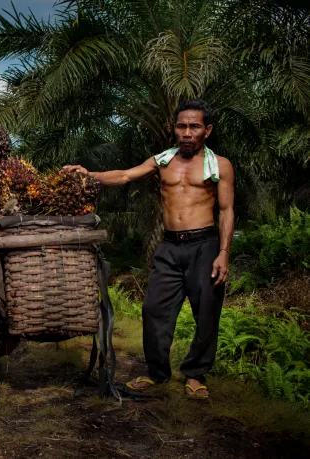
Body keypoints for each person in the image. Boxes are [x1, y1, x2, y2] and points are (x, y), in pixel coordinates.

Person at [64, 99, 234, 400]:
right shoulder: (163, 160)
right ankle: (157, 373)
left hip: (204, 246)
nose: (187, 132)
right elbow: (125, 175)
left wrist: (223, 252)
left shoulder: (219, 165)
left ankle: (195, 374)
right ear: (174, 128)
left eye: (194, 126)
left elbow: (227, 210)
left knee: (207, 311)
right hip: (169, 246)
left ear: (206, 130)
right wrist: (89, 175)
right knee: (154, 308)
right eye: (182, 126)